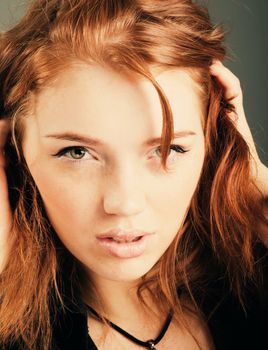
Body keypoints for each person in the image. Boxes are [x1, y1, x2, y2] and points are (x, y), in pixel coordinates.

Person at [0, 0, 267, 349]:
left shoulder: (251, 282)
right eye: (77, 153)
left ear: (210, 147)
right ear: (14, 152)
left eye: (169, 148)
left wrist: (255, 187)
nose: (124, 204)